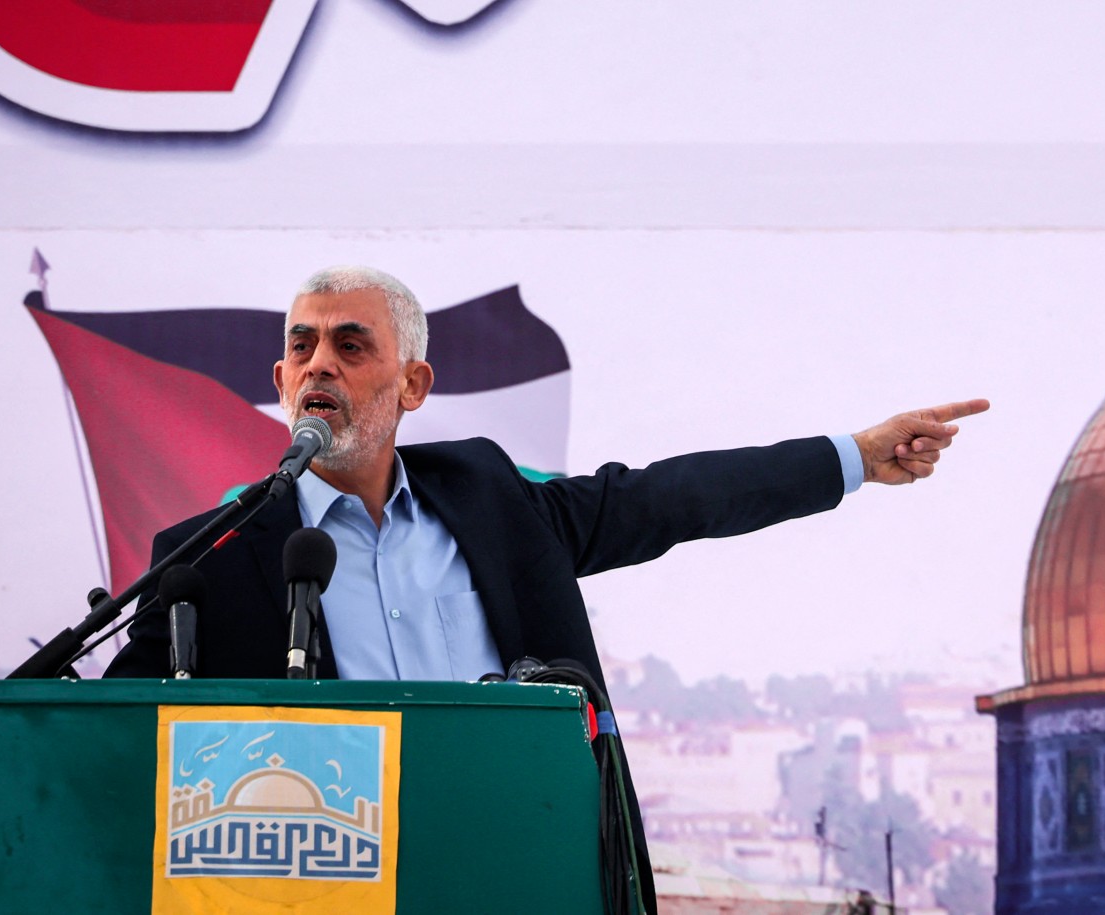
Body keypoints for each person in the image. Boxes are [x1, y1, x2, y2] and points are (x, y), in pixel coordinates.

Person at [105, 265, 988, 910]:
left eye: (350, 345)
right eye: (302, 348)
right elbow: (103, 749)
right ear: (279, 384)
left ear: (413, 383)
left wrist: (853, 458)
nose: (319, 366)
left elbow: (664, 499)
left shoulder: (493, 500)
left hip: (524, 871)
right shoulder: (211, 556)